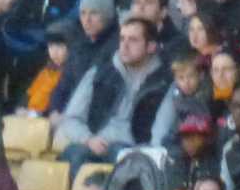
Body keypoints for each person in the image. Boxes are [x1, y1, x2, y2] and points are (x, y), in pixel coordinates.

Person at [58, 16, 172, 178]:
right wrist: (88, 139)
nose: (124, 46)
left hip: (134, 149)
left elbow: (161, 131)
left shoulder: (163, 82)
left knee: (121, 157)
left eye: (133, 40)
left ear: (151, 46)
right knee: (73, 154)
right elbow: (71, 119)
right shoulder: (99, 73)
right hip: (95, 143)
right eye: (122, 39)